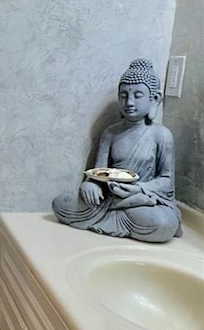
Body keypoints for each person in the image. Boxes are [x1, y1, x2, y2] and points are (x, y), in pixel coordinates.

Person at [52, 59, 181, 243]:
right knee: (61, 203)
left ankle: (122, 211)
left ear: (154, 98)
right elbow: (99, 173)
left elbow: (166, 181)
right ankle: (118, 212)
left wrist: (140, 189)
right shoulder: (110, 133)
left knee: (163, 223)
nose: (129, 102)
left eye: (138, 95)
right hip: (109, 199)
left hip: (140, 200)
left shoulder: (161, 135)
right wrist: (91, 185)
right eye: (123, 95)